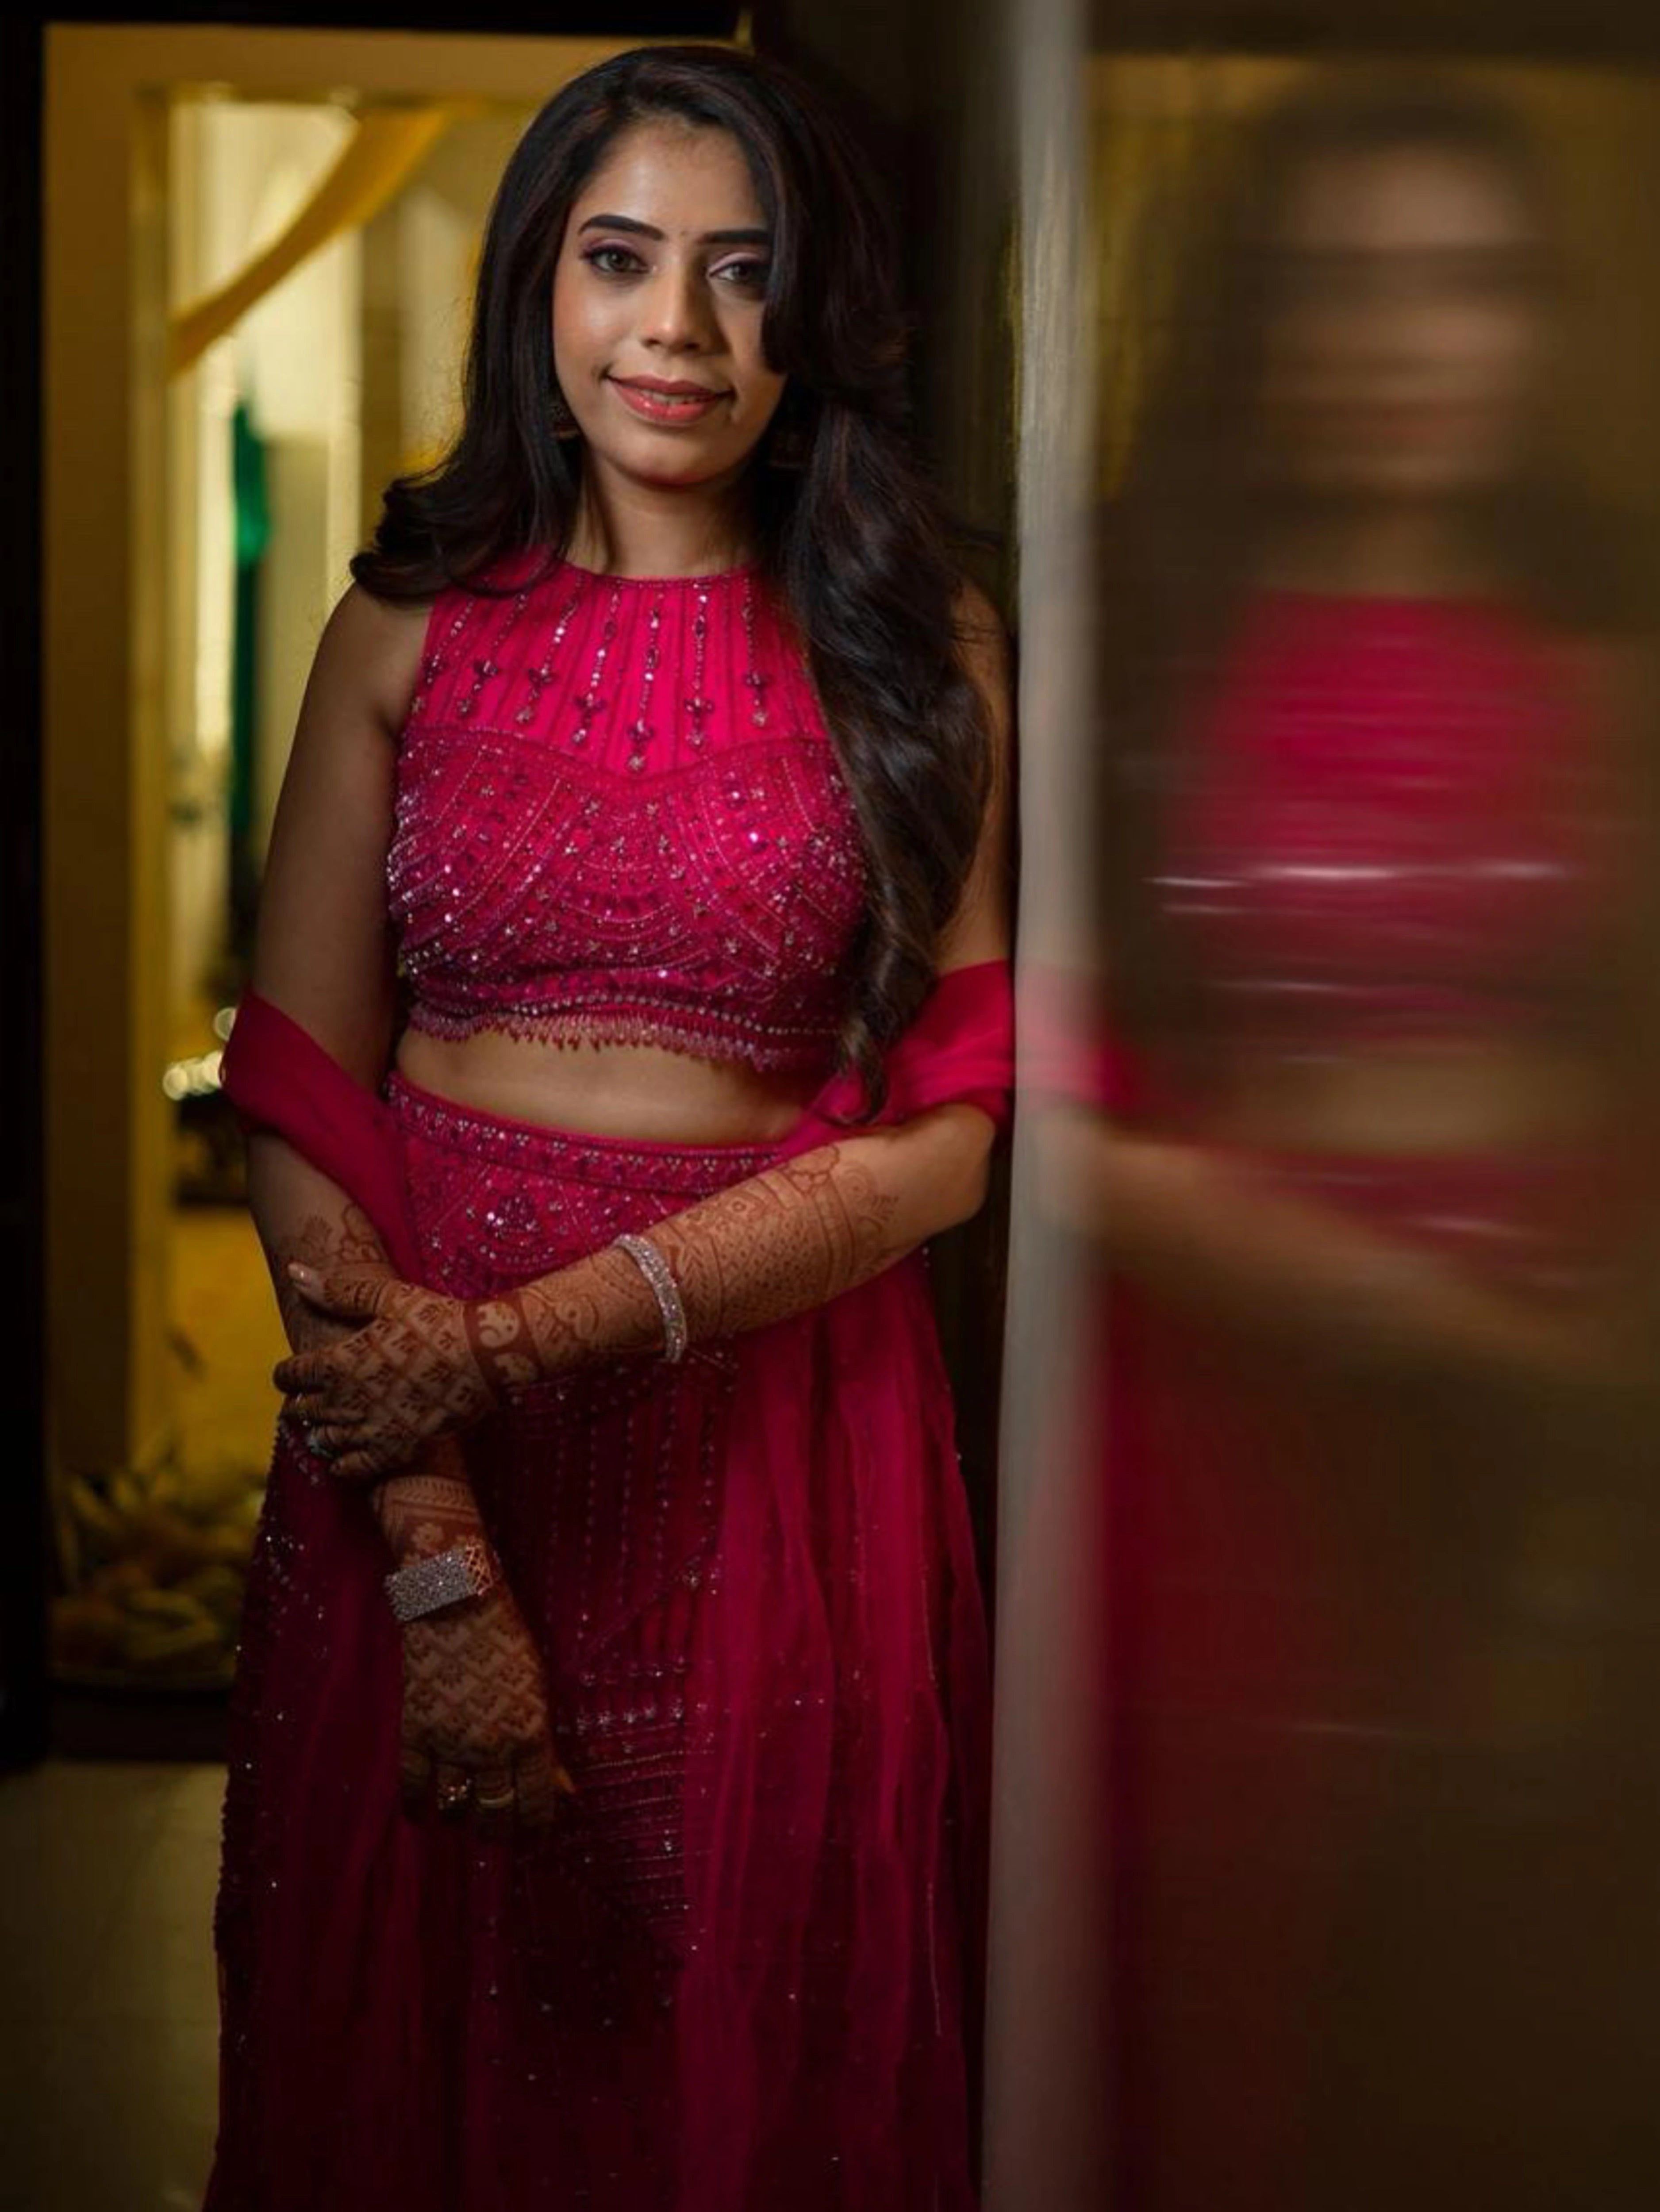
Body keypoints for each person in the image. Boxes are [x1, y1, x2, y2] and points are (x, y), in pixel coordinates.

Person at [203, 44, 1013, 2212]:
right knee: (417, 2037)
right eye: (620, 261)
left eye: (743, 275)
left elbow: (948, 1138)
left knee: (731, 2045)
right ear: (537, 293)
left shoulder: (918, 649)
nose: (677, 330)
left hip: (772, 1437)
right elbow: (296, 1089)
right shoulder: (403, 621)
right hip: (417, 1449)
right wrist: (442, 1553)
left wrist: (536, 1330)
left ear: (817, 309)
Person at [1025, 69, 1658, 2212]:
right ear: (1254, 326)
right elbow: (1009, 1088)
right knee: (1231, 2051)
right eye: (1338, 287)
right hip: (1216, 1453)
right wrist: (1411, 1311)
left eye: (1458, 285)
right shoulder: (1138, 650)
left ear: (1536, 327)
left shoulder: (1608, 654)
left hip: (1557, 1489)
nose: (1396, 344)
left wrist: (1568, 1377)